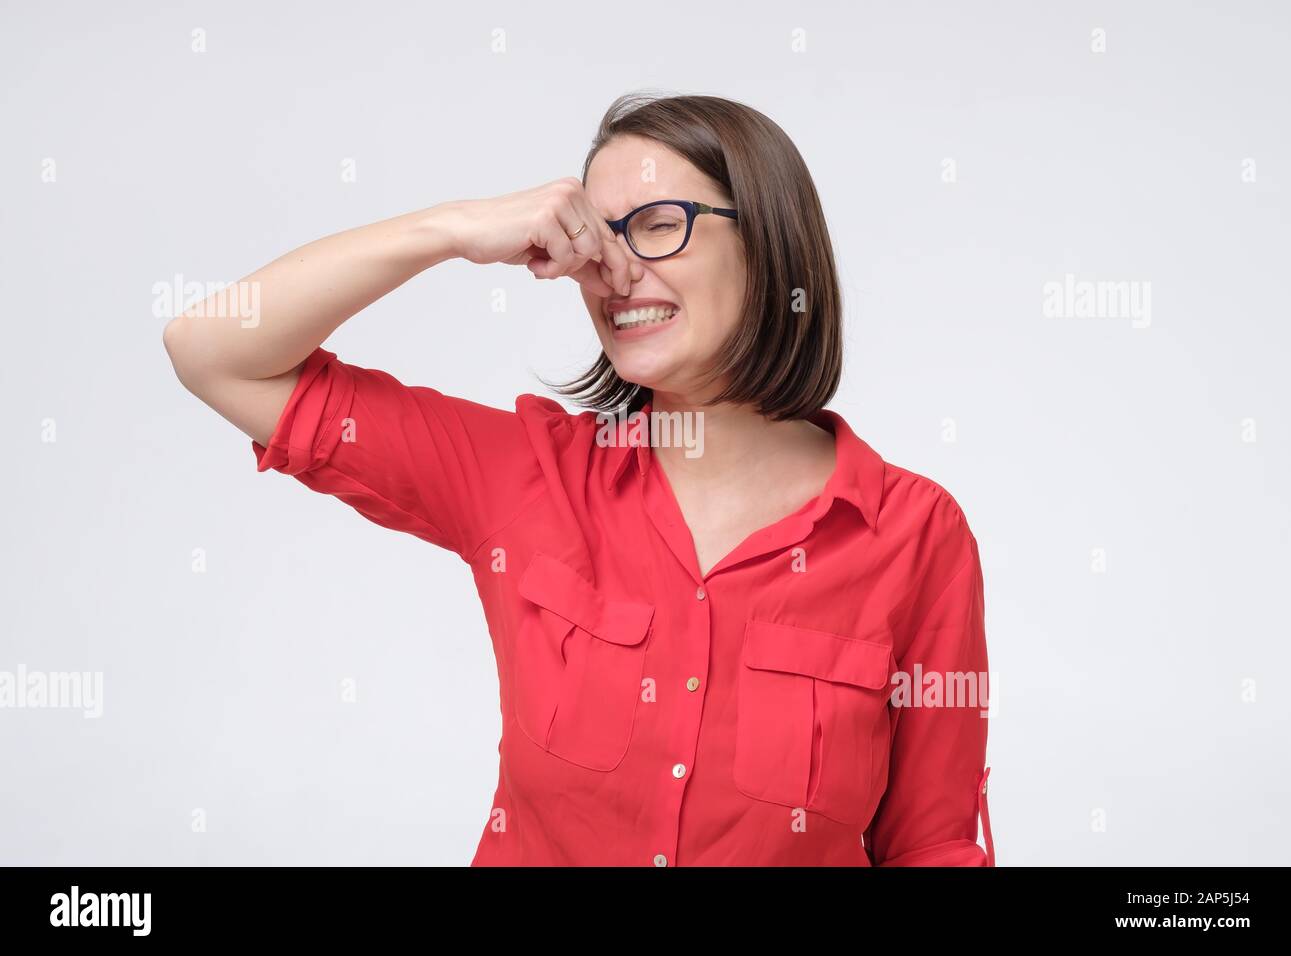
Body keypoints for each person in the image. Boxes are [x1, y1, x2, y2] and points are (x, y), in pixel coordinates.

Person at [163, 92, 995, 867]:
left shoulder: (916, 535)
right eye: (597, 237)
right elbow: (214, 353)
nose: (616, 271)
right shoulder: (525, 474)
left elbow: (934, 845)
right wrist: (451, 229)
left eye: (659, 225)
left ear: (771, 241)